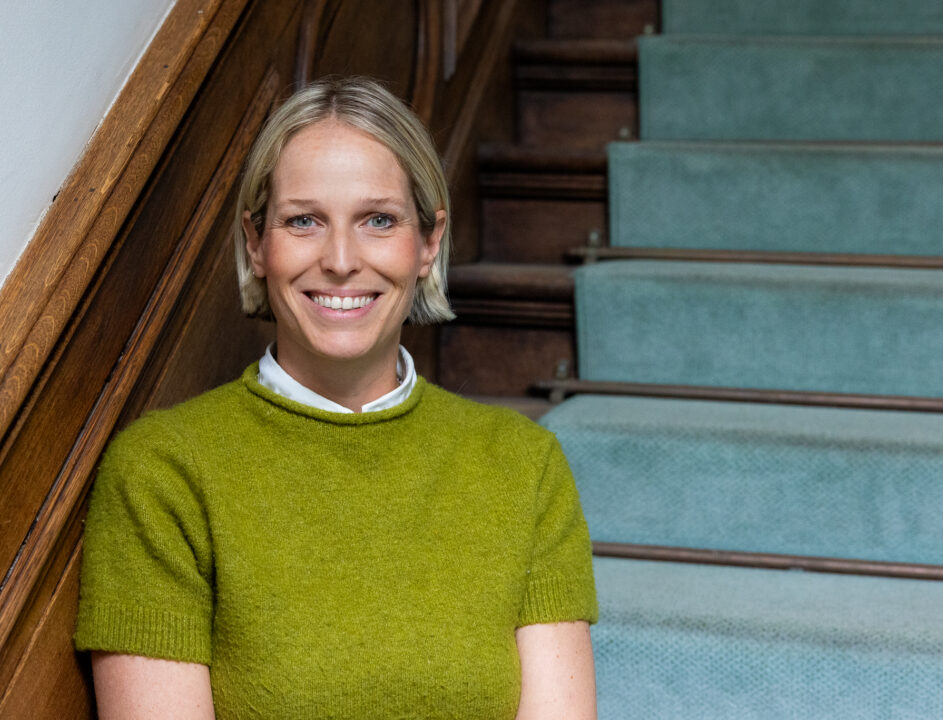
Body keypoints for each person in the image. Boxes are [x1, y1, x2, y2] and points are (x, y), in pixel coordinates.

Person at [75, 76, 598, 719]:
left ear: (428, 244)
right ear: (256, 244)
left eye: (379, 220)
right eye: (304, 221)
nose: (342, 260)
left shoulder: (524, 465)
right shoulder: (163, 470)